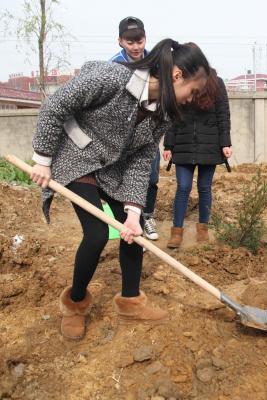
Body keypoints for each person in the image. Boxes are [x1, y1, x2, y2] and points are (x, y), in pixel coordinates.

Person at [30, 39, 210, 340]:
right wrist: (43, 160)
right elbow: (56, 105)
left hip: (112, 168)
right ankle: (75, 304)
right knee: (98, 232)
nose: (191, 100)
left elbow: (141, 160)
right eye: (192, 91)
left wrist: (133, 211)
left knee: (134, 232)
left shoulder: (162, 113)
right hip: (77, 157)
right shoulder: (111, 77)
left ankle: (130, 302)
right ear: (177, 75)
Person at [163, 67, 232, 249]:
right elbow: (172, 116)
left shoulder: (216, 82)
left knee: (204, 187)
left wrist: (225, 142)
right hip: (184, 143)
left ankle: (203, 229)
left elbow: (223, 114)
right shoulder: (181, 82)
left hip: (209, 143)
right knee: (183, 187)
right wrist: (168, 145)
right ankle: (176, 231)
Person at [110, 17, 160, 241]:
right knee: (122, 177)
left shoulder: (155, 63)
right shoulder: (113, 65)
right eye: (130, 42)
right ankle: (126, 222)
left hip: (148, 131)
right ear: (120, 41)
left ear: (145, 39)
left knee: (150, 177)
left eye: (139, 41)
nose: (136, 47)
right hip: (121, 135)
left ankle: (146, 216)